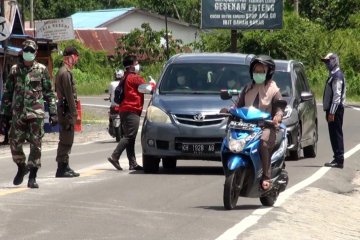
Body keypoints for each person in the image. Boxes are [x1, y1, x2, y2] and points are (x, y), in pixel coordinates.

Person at [0, 39, 57, 188]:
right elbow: (7, 93)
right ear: (22, 52)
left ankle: (32, 176)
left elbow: (49, 93)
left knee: (36, 145)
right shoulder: (14, 70)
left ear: (36, 53)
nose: (29, 54)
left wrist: (53, 112)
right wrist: (3, 114)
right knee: (14, 143)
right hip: (18, 114)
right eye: (26, 51)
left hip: (36, 114)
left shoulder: (41, 70)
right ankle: (21, 166)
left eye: (32, 51)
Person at [221, 55, 283, 191]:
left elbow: (279, 107)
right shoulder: (247, 88)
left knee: (263, 142)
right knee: (228, 140)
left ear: (268, 72)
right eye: (256, 71)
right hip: (247, 125)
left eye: (261, 71)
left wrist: (277, 116)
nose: (258, 74)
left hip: (266, 126)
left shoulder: (273, 89)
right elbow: (237, 105)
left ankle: (266, 177)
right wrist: (229, 110)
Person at [107, 55, 145, 171]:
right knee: (129, 136)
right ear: (132, 66)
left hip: (125, 109)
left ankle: (132, 163)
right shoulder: (133, 77)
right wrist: (154, 84)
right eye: (136, 63)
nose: (138, 65)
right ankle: (115, 156)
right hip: (131, 109)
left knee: (131, 137)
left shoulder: (125, 77)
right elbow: (147, 86)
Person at [54, 46, 81, 177]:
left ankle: (66, 165)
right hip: (66, 110)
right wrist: (75, 112)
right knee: (66, 138)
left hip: (65, 109)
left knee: (68, 137)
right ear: (70, 57)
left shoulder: (65, 71)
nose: (76, 59)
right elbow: (69, 95)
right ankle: (61, 168)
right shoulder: (65, 73)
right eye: (75, 56)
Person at [321, 53, 346, 169]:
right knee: (333, 134)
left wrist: (332, 112)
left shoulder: (337, 76)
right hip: (333, 109)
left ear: (334, 61)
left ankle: (339, 159)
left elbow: (337, 96)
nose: (327, 64)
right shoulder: (333, 75)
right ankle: (337, 157)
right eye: (326, 62)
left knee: (336, 134)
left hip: (335, 110)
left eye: (328, 61)